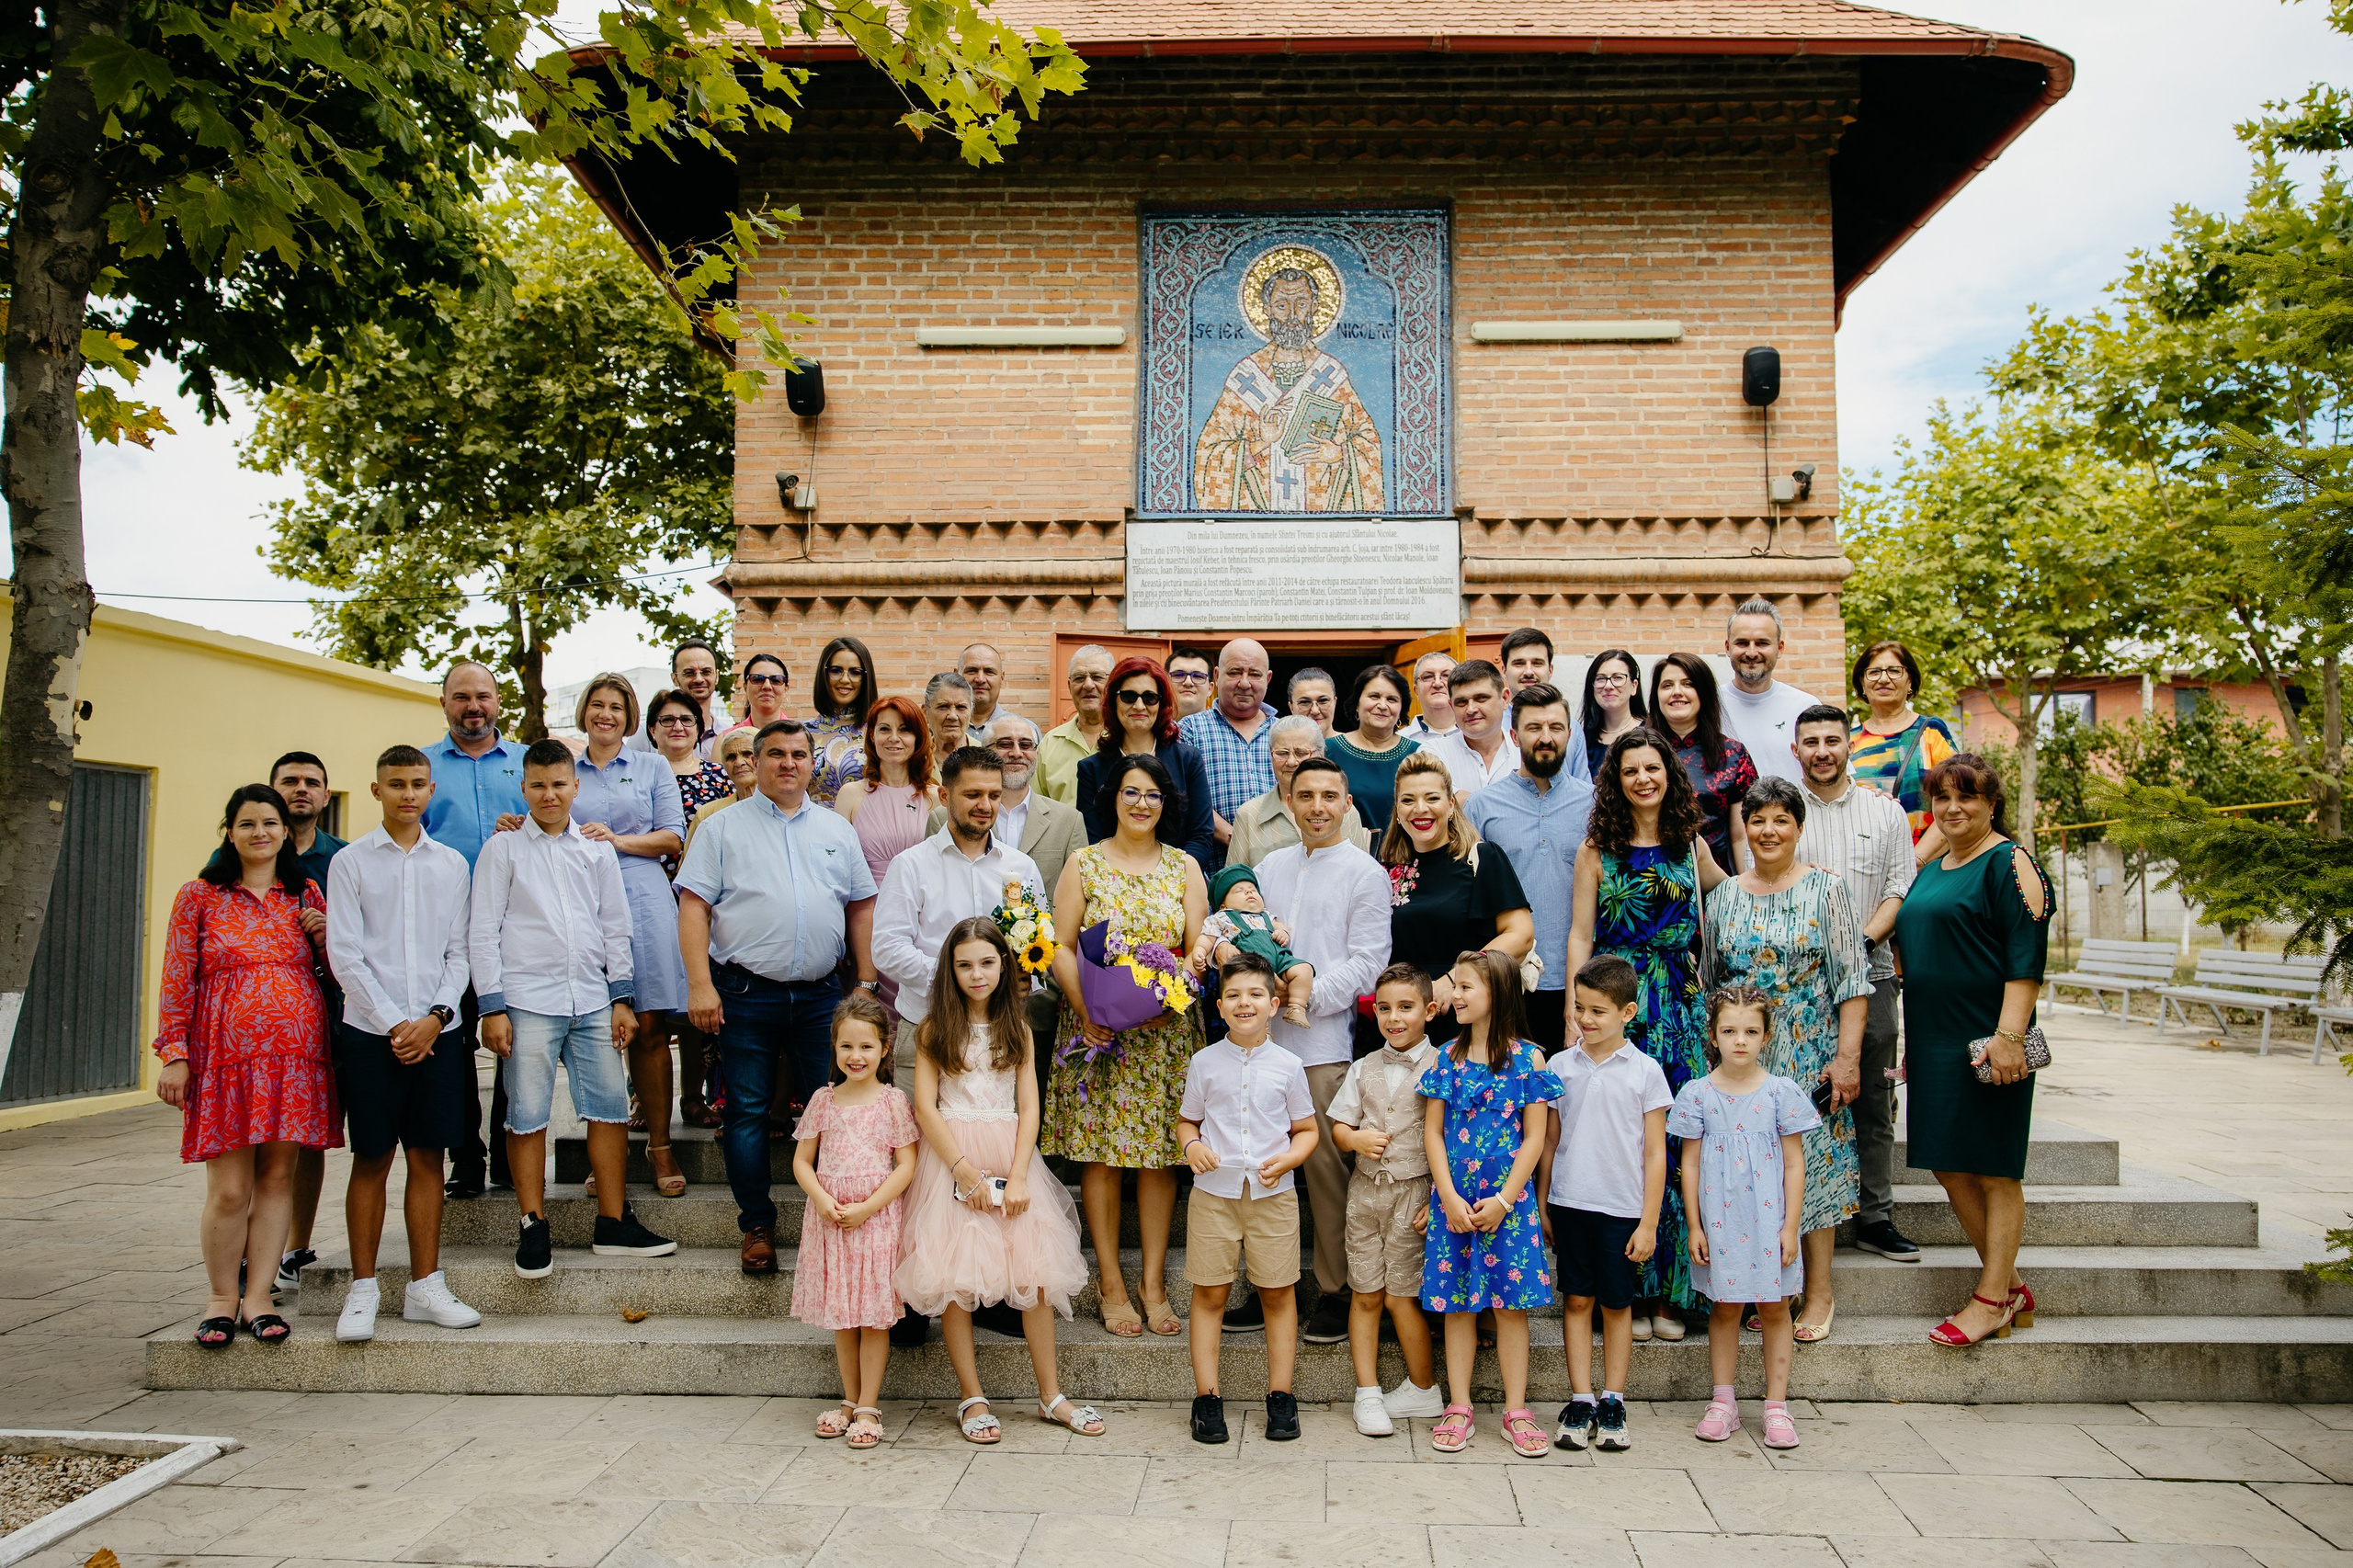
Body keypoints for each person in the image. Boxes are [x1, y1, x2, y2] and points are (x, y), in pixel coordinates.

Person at [676, 720, 881, 1276]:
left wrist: (865, 982)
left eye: (798, 754)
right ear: (756, 761)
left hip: (822, 996)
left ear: (812, 763)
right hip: (745, 992)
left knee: (834, 1107)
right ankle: (757, 1225)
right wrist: (699, 984)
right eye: (775, 754)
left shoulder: (837, 829)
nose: (788, 763)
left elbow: (860, 905)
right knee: (746, 1110)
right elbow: (693, 907)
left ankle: (835, 1216)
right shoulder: (721, 828)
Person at [471, 739, 676, 1278]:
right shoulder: (503, 849)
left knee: (609, 1107)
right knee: (527, 1112)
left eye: (559, 784)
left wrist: (622, 999)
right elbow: (483, 931)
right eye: (538, 785)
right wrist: (492, 1007)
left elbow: (615, 925)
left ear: (575, 786)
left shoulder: (595, 849)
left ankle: (612, 1221)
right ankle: (532, 1223)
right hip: (527, 1000)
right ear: (523, 788)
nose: (549, 795)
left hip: (592, 998)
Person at [895, 919, 1103, 1442]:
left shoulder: (1019, 1030)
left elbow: (1028, 1105)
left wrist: (1020, 1174)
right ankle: (972, 1397)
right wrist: (962, 1170)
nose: (977, 974)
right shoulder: (933, 1030)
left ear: (1005, 966)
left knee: (1034, 1273)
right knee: (955, 1277)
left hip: (1011, 1155)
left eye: (987, 963)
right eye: (964, 965)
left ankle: (1051, 1394)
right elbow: (925, 1106)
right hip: (953, 1157)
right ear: (950, 971)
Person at [154, 784, 341, 1347]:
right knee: (231, 1188)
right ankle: (220, 1298)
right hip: (224, 1062)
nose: (260, 832)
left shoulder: (305, 893)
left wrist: (325, 939)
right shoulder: (200, 896)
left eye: (269, 823)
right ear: (229, 833)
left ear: (285, 832)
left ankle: (259, 1296)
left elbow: (338, 974)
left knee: (277, 1179)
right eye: (247, 824)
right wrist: (175, 1055)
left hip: (294, 1060)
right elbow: (177, 977)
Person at [1568, 729, 1730, 1341]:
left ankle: (1671, 1294)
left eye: (1652, 768)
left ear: (1670, 775)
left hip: (1680, 1009)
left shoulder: (1691, 845)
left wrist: (1792, 875)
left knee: (1678, 1142)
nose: (1642, 778)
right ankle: (1626, 1292)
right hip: (1617, 1005)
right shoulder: (1596, 850)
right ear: (1616, 781)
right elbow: (1581, 935)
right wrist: (1576, 1013)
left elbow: (1731, 892)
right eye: (1630, 769)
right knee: (1622, 1143)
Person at [1890, 755, 2052, 1348]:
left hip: (1989, 1036)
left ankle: (1991, 1300)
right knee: (1948, 1162)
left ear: (1992, 803)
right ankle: (2009, 1285)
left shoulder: (2010, 862)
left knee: (1993, 1167)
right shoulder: (1935, 866)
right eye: (1943, 798)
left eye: (1968, 797)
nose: (1954, 808)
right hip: (1933, 1036)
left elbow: (2025, 961)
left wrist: (2010, 1039)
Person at [1044, 753, 1207, 1339]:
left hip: (1165, 1036)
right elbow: (1062, 945)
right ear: (1112, 798)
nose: (1142, 804)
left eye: (1153, 795)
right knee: (1103, 1158)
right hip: (1099, 1035)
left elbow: (1197, 949)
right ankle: (1111, 1282)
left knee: (1163, 1158)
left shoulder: (1185, 866)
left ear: (1166, 804)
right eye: (1131, 792)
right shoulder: (1083, 863)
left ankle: (1153, 1283)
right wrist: (1090, 1012)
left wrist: (1172, 994)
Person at [1701, 776, 1869, 1343]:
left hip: (1811, 1054)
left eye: (1781, 821)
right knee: (1750, 1170)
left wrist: (1847, 1058)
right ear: (1744, 828)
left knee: (1813, 1167)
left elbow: (1852, 981)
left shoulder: (1828, 889)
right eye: (1758, 820)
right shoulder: (1723, 897)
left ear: (1798, 828)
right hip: (1742, 1060)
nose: (1768, 831)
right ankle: (1772, 1285)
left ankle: (1818, 1291)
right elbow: (1711, 983)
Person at [323, 746, 481, 1342]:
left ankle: (424, 1286)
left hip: (436, 1033)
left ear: (431, 790)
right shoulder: (351, 862)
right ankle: (363, 1289)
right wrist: (394, 1024)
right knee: (372, 1157)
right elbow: (345, 955)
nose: (408, 794)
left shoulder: (451, 864)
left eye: (417, 783)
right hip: (372, 1035)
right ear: (376, 790)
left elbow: (460, 952)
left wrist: (435, 1019)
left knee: (428, 1157)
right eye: (396, 784)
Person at [1256, 755, 1400, 1345]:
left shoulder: (1364, 873)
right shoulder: (1269, 866)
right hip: (1260, 1040)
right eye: (1305, 795)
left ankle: (1339, 1290)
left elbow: (1369, 963)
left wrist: (1304, 993)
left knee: (1323, 1173)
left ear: (1347, 804)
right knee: (1260, 1164)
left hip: (1320, 1045)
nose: (1317, 807)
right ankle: (1269, 1283)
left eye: (1329, 796)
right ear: (1290, 802)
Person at [1418, 949, 1562, 1457]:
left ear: (1496, 994)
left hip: (1509, 1205)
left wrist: (1504, 1199)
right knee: (1457, 1305)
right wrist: (1448, 1196)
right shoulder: (1446, 1058)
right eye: (1455, 986)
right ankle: (1458, 1406)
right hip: (1454, 1202)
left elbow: (1535, 1137)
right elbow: (1433, 1133)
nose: (1454, 995)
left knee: (1510, 1307)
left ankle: (1516, 1410)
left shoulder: (1529, 1059)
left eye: (1465, 987)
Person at [1792, 706, 1919, 1263]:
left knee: (1873, 1098)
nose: (1822, 751)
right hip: (1801, 981)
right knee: (1801, 1095)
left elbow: (1899, 890)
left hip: (1874, 973)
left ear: (1850, 746)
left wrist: (1858, 942)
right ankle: (1799, 1212)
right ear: (1796, 750)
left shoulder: (1884, 812)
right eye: (1811, 742)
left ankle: (1875, 1216)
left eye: (1832, 740)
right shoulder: (1780, 812)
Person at [1178, 952, 1320, 1446]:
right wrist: (1192, 1147)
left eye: (1256, 994)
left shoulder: (1289, 1066)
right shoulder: (1204, 1062)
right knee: (1210, 1292)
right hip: (1214, 1196)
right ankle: (1207, 1398)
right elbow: (1188, 1122)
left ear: (1274, 1004)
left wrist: (1289, 1159)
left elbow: (1306, 1130)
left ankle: (1281, 1396)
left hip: (1273, 1197)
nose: (1245, 1003)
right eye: (1234, 995)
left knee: (1277, 1292)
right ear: (1219, 1006)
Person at [1538, 956, 1669, 1454]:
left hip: (1622, 1210)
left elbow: (1654, 1153)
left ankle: (1614, 1399)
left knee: (1616, 1304)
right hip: (1570, 1202)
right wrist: (1544, 1204)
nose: (1585, 1019)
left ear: (1627, 1012)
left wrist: (1649, 1222)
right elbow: (1549, 1141)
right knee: (1576, 1300)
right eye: (1579, 1008)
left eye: (1598, 1011)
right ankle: (1581, 1398)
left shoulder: (1645, 1071)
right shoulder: (1559, 1066)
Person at [1675, 986, 1813, 1450]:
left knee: (1775, 1307)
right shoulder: (1698, 1095)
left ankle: (1776, 1405)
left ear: (1766, 1036)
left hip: (1770, 1221)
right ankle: (1723, 1402)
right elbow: (1689, 1164)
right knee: (1725, 1306)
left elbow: (1794, 1163)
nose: (1740, 1040)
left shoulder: (1780, 1093)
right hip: (1719, 1221)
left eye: (1751, 1032)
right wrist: (1695, 1226)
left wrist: (1790, 1227)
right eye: (1729, 1031)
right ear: (1713, 1035)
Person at [568, 675, 690, 1199]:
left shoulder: (652, 765)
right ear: (584, 712)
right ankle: (606, 1151)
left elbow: (673, 836)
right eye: (597, 705)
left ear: (629, 716)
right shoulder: (565, 767)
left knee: (649, 1028)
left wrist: (617, 840)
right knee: (595, 1030)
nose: (606, 715)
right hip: (579, 901)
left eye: (616, 707)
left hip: (641, 897)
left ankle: (660, 1146)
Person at [790, 992, 918, 1449]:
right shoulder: (823, 1100)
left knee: (873, 1317)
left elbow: (906, 1164)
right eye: (846, 1046)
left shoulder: (892, 1102)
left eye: (866, 1046)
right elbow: (802, 1161)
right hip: (831, 1220)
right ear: (834, 1047)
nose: (856, 1056)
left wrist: (868, 1207)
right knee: (843, 1316)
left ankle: (868, 1405)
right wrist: (822, 1198)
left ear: (885, 1048)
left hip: (875, 1221)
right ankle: (848, 1400)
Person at [874, 746, 1049, 1082]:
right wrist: (956, 979)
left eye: (994, 795)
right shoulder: (910, 865)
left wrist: (1027, 976)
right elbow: (887, 949)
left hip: (1001, 1035)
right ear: (944, 796)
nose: (985, 805)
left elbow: (1039, 943)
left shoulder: (1021, 867)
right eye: (973, 795)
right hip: (928, 1028)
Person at [424, 661, 528, 1200]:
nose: (473, 707)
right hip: (445, 929)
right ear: (444, 702)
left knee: (515, 1042)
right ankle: (465, 1157)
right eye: (461, 697)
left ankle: (510, 1155)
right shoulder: (422, 766)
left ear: (498, 701)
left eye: (482, 696)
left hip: (516, 927)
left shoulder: (528, 762)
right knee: (455, 1046)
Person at [1327, 962, 1445, 1437]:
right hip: (1364, 1195)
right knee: (1365, 1293)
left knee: (1401, 1297)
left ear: (1429, 1011)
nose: (1394, 1018)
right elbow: (1339, 1128)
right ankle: (1368, 1392)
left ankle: (1423, 1388)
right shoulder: (1362, 1068)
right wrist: (1353, 1139)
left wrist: (1439, 1199)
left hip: (1414, 1194)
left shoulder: (1445, 1066)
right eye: (1383, 1009)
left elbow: (1453, 1141)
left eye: (1405, 1007)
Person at [1466, 683, 1595, 1053]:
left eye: (1556, 727)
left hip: (1581, 982)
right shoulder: (1482, 807)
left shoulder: (1596, 804)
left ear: (1569, 735)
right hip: (1507, 981)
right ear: (1514, 736)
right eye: (1534, 728)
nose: (1546, 738)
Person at [1380, 751, 1535, 1046]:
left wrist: (1454, 979)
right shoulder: (1385, 871)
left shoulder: (1482, 859)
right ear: (1397, 811)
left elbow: (1521, 936)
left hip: (1469, 1018)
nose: (1420, 809)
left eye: (1432, 798)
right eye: (1408, 800)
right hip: (1404, 1024)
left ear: (1451, 805)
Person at [264, 750, 344, 1298]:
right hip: (257, 1020)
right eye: (289, 781)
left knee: (307, 1134)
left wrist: (327, 930)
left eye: (311, 782)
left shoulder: (342, 858)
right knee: (257, 1140)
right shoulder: (239, 855)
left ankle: (296, 1249)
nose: (301, 790)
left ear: (325, 794)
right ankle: (252, 1250)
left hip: (323, 1013)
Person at [1074, 657, 1217, 869]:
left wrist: (1167, 878)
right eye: (1129, 696)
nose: (1139, 706)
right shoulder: (1091, 769)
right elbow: (1093, 841)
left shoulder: (1188, 760)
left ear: (1161, 703)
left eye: (1150, 697)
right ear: (1114, 700)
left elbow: (1201, 835)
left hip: (1179, 880)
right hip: (1113, 881)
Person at [1849, 639, 1958, 862]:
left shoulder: (1931, 732)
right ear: (1862, 684)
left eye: (1894, 671)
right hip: (1866, 865)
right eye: (1874, 672)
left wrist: (1915, 861)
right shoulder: (1848, 742)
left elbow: (1956, 801)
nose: (1883, 679)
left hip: (1925, 865)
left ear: (1910, 682)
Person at [1650, 652, 1756, 873]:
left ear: (1704, 692)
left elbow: (1740, 837)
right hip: (1646, 880)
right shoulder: (1635, 752)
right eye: (1667, 685)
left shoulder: (1733, 755)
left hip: (1713, 881)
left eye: (1688, 684)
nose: (1677, 692)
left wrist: (1745, 885)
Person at [1179, 638, 1278, 868]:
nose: (1244, 683)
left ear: (1268, 678)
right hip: (1214, 872)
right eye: (1235, 672)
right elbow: (1184, 798)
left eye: (1254, 674)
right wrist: (1239, 840)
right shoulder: (1189, 729)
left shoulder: (1287, 732)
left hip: (1281, 866)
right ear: (1216, 675)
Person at [835, 697, 938, 915]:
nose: (894, 738)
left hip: (925, 911)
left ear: (918, 737)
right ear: (872, 736)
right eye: (884, 729)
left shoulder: (935, 797)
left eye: (904, 730)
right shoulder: (850, 795)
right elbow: (838, 866)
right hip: (868, 913)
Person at [1228, 714, 1368, 869]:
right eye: (1282, 753)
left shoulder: (1345, 811)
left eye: (1301, 753)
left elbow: (1360, 869)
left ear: (1321, 754)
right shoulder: (1249, 814)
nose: (1291, 762)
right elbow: (1234, 879)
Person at [1189, 865, 1313, 1025]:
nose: (1249, 892)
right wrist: (1199, 951)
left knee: (1304, 970)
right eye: (1239, 891)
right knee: (1253, 992)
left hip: (1280, 958)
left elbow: (1280, 926)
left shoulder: (1266, 916)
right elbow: (1207, 938)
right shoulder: (1222, 918)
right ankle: (1262, 1026)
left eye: (1253, 889)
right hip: (1252, 963)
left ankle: (1296, 1006)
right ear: (1223, 906)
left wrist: (1282, 932)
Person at [1719, 599, 1817, 784]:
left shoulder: (1805, 706)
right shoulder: (1709, 704)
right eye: (1742, 643)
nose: (1751, 652)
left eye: (1762, 643)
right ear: (1727, 647)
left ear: (1780, 648)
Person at [1325, 663, 1419, 838]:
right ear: (1357, 704)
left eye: (1392, 699)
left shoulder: (1417, 754)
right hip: (1344, 851)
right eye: (1374, 696)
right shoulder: (1328, 751)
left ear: (1401, 709)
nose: (1382, 705)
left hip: (1404, 852)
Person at [652, 688, 734, 871]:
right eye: (667, 720)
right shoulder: (637, 776)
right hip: (647, 882)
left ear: (698, 730)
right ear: (652, 730)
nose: (678, 727)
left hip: (707, 880)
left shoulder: (721, 776)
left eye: (686, 720)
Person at [1419, 659, 1519, 801]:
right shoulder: (1434, 753)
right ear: (1451, 706)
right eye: (1461, 702)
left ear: (1504, 698)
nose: (1471, 709)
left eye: (1481, 698)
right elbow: (1440, 802)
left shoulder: (1524, 752)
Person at [807, 635, 880, 807]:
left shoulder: (880, 731)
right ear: (824, 675)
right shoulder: (803, 733)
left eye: (855, 672)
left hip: (866, 821)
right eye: (836, 670)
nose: (845, 679)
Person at [1039, 645, 1113, 805]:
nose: (1088, 685)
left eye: (1097, 677)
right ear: (1069, 686)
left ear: (1112, 683)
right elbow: (1037, 807)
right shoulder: (1049, 744)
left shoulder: (1127, 738)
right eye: (1079, 678)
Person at [627, 640, 724, 760]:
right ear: (674, 679)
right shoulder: (644, 735)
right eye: (689, 673)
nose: (699, 679)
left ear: (716, 676)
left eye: (706, 672)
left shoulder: (727, 734)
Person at [1578, 649, 1647, 780]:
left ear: (1634, 686)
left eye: (1618, 678)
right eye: (1601, 679)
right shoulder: (1582, 740)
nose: (1608, 686)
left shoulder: (1651, 731)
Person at [688, 727, 760, 850]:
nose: (739, 762)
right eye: (731, 757)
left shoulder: (784, 808)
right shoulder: (707, 814)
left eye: (747, 754)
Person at [724, 653, 793, 737]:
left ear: (786, 688)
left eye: (776, 680)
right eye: (757, 679)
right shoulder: (726, 739)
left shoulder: (801, 737)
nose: (767, 686)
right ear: (745, 687)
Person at [924, 671, 977, 764]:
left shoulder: (986, 756)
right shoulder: (916, 759)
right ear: (926, 712)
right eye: (943, 706)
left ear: (971, 710)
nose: (953, 716)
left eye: (961, 707)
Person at [1406, 650, 1458, 740]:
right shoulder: (1399, 742)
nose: (1437, 683)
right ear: (1416, 691)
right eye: (1428, 677)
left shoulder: (1479, 736)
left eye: (1446, 675)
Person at [960, 642, 1008, 735]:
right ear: (957, 675)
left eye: (989, 672)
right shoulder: (935, 730)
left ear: (1002, 678)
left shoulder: (1026, 731)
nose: (980, 679)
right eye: (972, 671)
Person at [1286, 666, 1337, 736]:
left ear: (1334, 703)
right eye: (1305, 702)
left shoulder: (1351, 743)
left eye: (1323, 700)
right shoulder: (1275, 743)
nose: (1315, 711)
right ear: (1291, 707)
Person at [1166, 647, 1216, 719]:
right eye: (1178, 675)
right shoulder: (1151, 724)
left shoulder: (1225, 725)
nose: (1188, 682)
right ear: (1166, 683)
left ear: (1210, 688)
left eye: (1197, 676)